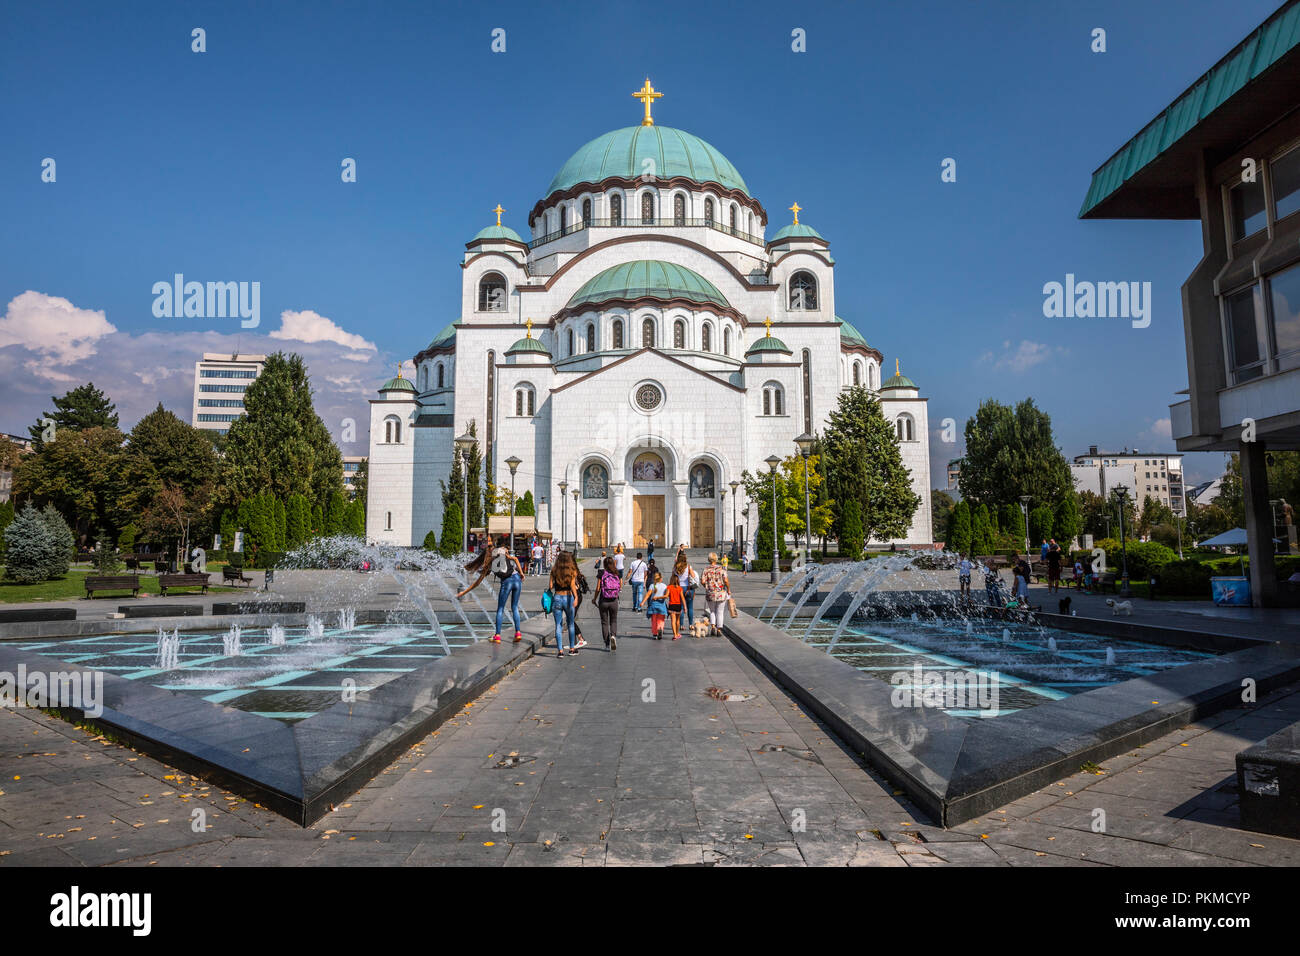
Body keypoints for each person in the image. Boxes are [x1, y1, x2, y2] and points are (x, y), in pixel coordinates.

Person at [457, 535, 524, 644]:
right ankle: (518, 633)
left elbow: (476, 583)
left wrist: (464, 592)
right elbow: (515, 558)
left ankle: (497, 635)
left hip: (506, 582)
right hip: (516, 579)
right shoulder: (502, 551)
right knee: (515, 607)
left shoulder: (488, 565)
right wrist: (521, 574)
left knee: (501, 609)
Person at [550, 550, 580, 657]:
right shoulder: (572, 571)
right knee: (570, 623)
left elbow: (550, 586)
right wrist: (576, 597)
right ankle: (572, 649)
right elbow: (572, 586)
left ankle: (560, 651)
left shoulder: (554, 570)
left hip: (557, 597)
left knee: (558, 625)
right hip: (568, 597)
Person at [699, 552, 731, 636]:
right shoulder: (721, 569)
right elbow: (726, 581)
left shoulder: (706, 570)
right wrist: (728, 590)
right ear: (716, 559)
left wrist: (706, 586)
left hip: (710, 593)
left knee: (712, 611)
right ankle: (719, 630)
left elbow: (702, 581)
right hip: (721, 593)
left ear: (709, 559)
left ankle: (713, 626)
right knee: (720, 612)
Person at [596, 555, 622, 650]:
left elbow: (598, 588)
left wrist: (594, 599)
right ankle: (613, 636)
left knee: (604, 622)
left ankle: (607, 644)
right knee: (613, 620)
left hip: (603, 600)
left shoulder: (602, 573)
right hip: (614, 600)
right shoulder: (616, 573)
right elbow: (619, 587)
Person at [640, 569, 669, 639]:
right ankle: (660, 629)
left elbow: (648, 594)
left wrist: (642, 602)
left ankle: (655, 634)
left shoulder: (652, 586)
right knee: (661, 620)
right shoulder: (664, 586)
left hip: (653, 605)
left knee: (654, 620)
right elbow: (666, 595)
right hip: (661, 605)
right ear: (661, 578)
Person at [573, 564, 590, 649]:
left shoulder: (573, 573)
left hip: (576, 597)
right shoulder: (576, 572)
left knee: (570, 619)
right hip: (578, 596)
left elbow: (575, 586)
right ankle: (575, 642)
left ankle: (580, 638)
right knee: (571, 619)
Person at [665, 574, 685, 640]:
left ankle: (674, 635)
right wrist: (685, 607)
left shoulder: (669, 587)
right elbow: (682, 598)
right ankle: (677, 633)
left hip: (671, 605)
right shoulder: (680, 588)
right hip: (678, 605)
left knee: (673, 620)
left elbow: (667, 595)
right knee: (678, 620)